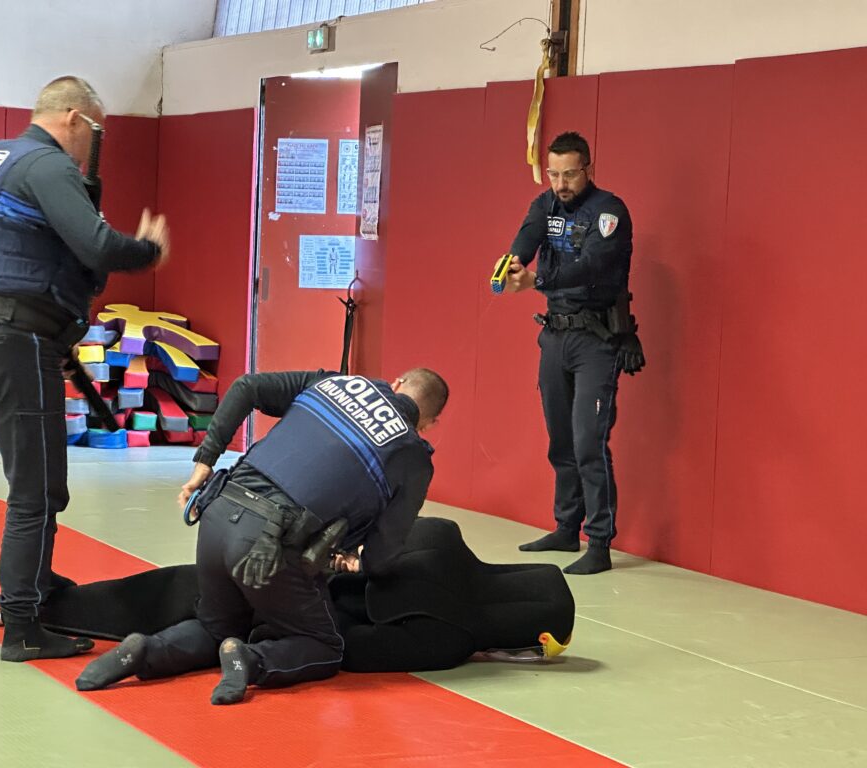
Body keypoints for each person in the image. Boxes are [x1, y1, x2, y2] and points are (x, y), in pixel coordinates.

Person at [0, 76, 171, 662]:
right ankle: (22, 623)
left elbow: (29, 254)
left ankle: (33, 589)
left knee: (38, 482)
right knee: (38, 492)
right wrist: (148, 249)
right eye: (95, 132)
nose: (94, 145)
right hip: (9, 338)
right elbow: (97, 247)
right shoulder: (46, 163)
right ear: (72, 118)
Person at [74, 368, 448, 703]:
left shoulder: (337, 382)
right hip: (268, 547)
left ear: (397, 381)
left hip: (218, 510)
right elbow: (382, 557)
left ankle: (144, 650)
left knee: (216, 626)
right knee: (325, 646)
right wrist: (352, 561)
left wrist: (205, 461)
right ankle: (253, 660)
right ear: (428, 423)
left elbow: (247, 386)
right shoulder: (413, 456)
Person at [36, 517, 575, 671]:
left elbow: (359, 532)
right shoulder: (452, 636)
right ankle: (151, 654)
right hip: (302, 608)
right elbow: (353, 650)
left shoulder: (444, 534)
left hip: (287, 553)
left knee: (179, 584)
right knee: (210, 627)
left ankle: (45, 605)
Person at [497, 131, 644, 575]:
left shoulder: (609, 211)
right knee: (560, 440)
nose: (561, 183)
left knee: (588, 442)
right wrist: (512, 265)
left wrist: (537, 283)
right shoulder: (546, 204)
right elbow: (525, 239)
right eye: (554, 173)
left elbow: (593, 266)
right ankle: (566, 528)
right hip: (555, 337)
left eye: (569, 174)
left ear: (588, 169)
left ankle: (598, 542)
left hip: (596, 340)